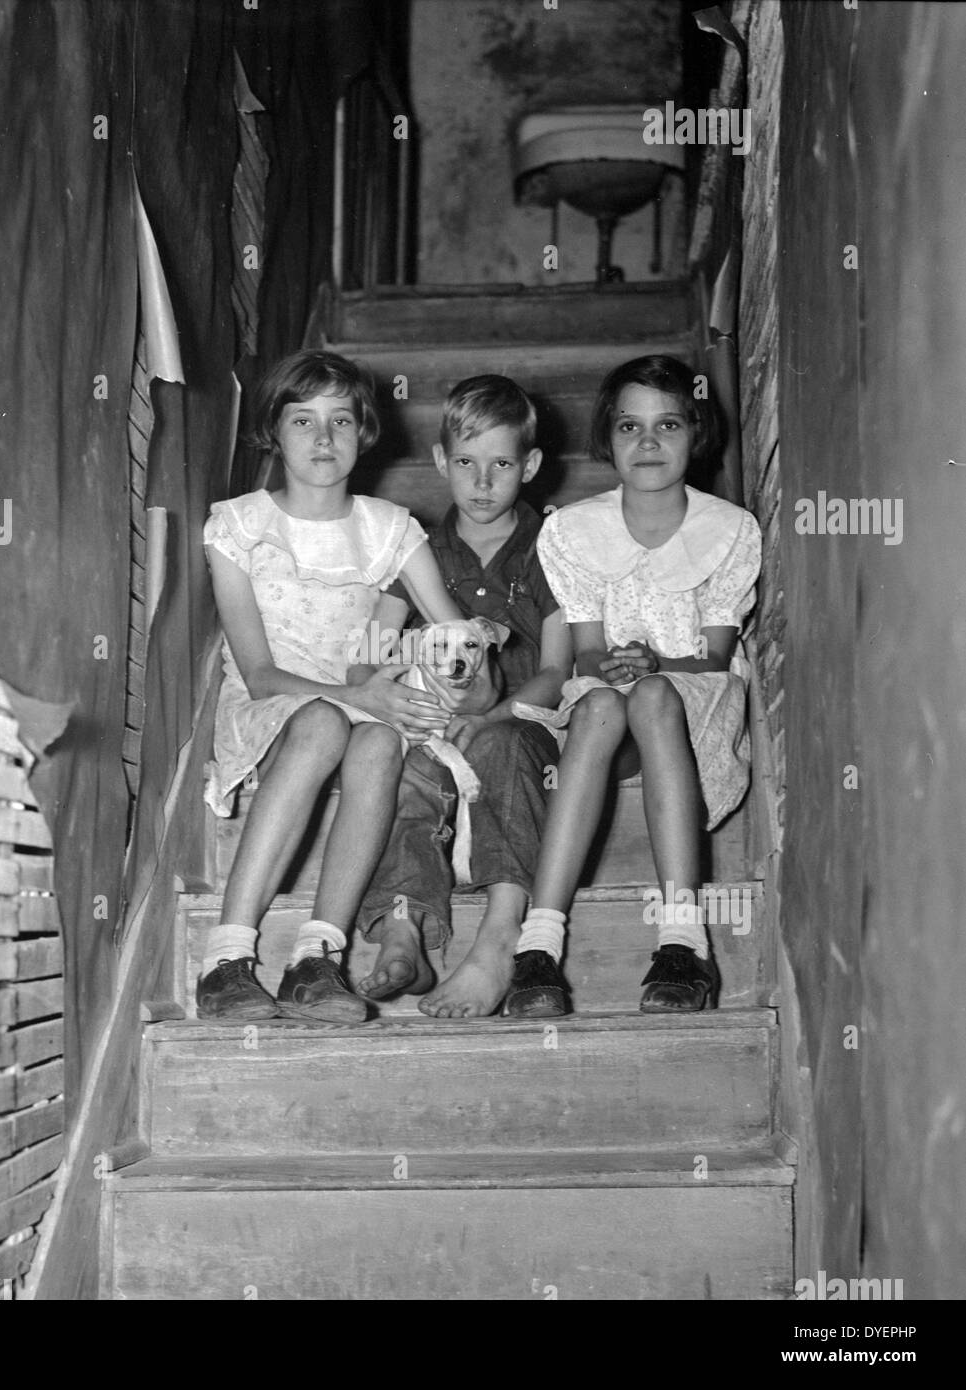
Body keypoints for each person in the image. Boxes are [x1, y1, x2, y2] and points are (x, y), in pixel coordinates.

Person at [197, 349, 461, 1024]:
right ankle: (225, 959)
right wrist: (361, 696)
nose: (322, 439)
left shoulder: (390, 529)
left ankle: (316, 958)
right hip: (271, 705)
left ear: (364, 431)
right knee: (324, 722)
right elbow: (258, 675)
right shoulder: (238, 526)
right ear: (273, 432)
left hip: (357, 702)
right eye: (302, 421)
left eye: (341, 421)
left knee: (376, 745)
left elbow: (454, 636)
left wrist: (446, 671)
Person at [505, 354, 761, 1018]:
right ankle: (538, 945)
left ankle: (682, 940)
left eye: (667, 424)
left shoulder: (729, 529)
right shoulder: (570, 529)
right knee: (595, 705)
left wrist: (651, 668)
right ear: (608, 437)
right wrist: (610, 665)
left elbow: (712, 657)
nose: (646, 443)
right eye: (628, 426)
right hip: (610, 706)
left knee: (652, 695)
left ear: (695, 433)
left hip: (692, 699)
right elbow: (586, 654)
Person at [357, 375, 573, 1017]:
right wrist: (385, 695)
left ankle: (500, 941)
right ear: (439, 462)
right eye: (466, 463)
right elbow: (367, 653)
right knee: (406, 766)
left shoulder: (551, 548)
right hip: (432, 725)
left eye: (501, 464)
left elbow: (558, 668)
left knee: (504, 749)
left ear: (530, 465)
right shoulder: (417, 551)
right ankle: (405, 925)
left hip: (523, 723)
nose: (482, 483)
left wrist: (494, 715)